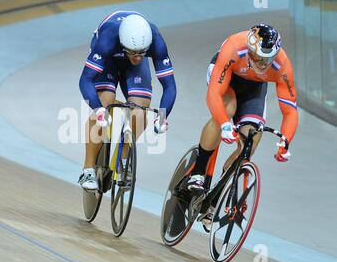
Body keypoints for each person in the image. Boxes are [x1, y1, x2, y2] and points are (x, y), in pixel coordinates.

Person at [179, 24, 298, 229]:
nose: (262, 63)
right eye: (258, 57)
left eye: (267, 59)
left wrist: (285, 141)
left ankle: (216, 198)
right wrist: (225, 123)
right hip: (227, 77)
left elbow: (290, 111)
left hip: (254, 89)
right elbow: (214, 94)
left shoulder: (282, 65)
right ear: (250, 50)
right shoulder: (235, 46)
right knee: (228, 108)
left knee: (250, 141)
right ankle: (198, 171)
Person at [78, 11, 177, 190]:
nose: (138, 58)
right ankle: (88, 169)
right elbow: (85, 80)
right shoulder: (108, 38)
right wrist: (98, 109)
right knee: (105, 101)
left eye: (142, 53)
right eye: (134, 53)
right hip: (108, 59)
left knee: (139, 112)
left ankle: (123, 160)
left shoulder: (155, 40)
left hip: (133, 65)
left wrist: (162, 116)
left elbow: (169, 85)